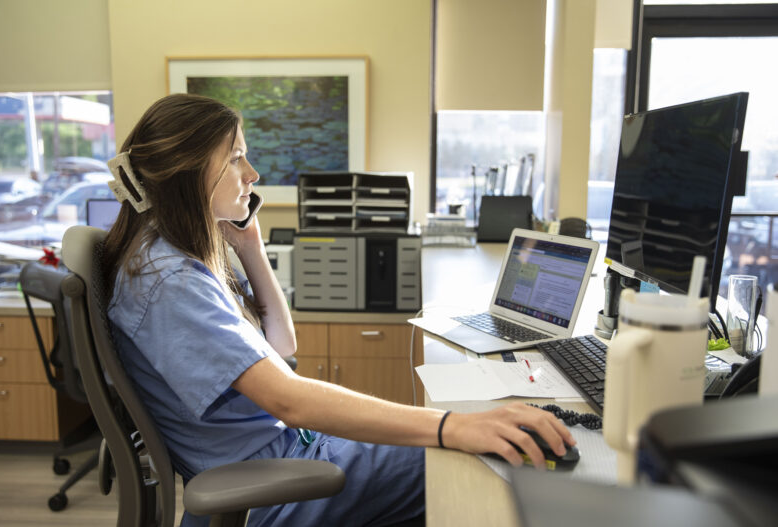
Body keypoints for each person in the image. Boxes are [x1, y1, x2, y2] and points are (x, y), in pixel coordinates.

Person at [103, 93, 576, 526]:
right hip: (271, 491)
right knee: (476, 464)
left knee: (461, 449)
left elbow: (282, 348)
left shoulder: (174, 259)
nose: (253, 174)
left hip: (293, 454)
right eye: (236, 158)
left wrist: (251, 247)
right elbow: (288, 398)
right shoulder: (169, 281)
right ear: (189, 172)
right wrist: (454, 425)